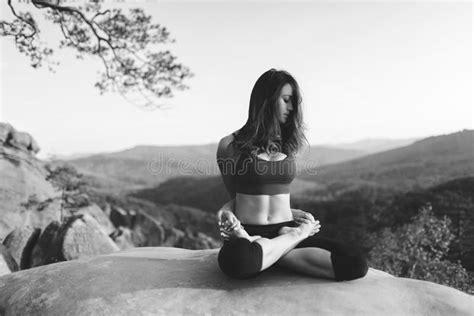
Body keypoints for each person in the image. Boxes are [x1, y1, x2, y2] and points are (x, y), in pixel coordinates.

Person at [215, 68, 368, 281]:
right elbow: (235, 197)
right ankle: (283, 242)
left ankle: (267, 251)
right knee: (236, 261)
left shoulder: (290, 144)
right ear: (265, 101)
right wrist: (225, 210)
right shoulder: (229, 145)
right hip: (247, 230)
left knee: (354, 263)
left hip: (283, 227)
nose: (292, 107)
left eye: (294, 101)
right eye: (286, 100)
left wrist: (292, 213)